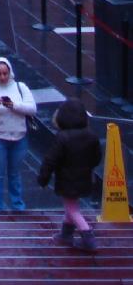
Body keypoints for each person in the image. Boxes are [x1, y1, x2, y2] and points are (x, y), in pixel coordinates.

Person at [37, 96, 103, 253]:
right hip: (85, 178)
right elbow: (97, 157)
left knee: (72, 209)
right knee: (71, 206)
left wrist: (43, 178)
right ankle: (66, 234)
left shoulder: (62, 137)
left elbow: (50, 160)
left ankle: (88, 238)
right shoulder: (91, 135)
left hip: (67, 180)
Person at [0, 56, 36, 212]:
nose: (2, 77)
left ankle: (17, 205)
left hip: (19, 138)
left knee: (15, 174)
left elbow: (32, 109)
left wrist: (13, 105)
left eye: (5, 73)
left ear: (10, 71)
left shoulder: (20, 87)